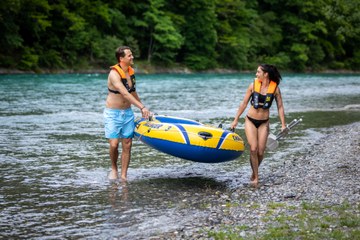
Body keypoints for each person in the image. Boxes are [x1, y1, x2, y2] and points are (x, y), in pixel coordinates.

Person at [230, 64, 286, 187]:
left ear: (265, 74)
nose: (256, 74)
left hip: (264, 122)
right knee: (253, 148)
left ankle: (253, 172)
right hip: (250, 120)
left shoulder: (275, 89)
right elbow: (244, 103)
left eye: (258, 72)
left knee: (260, 152)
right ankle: (256, 176)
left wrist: (283, 124)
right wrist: (235, 120)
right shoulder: (252, 86)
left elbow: (280, 107)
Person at [104, 46, 150, 181]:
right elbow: (124, 92)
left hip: (127, 113)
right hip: (113, 113)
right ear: (121, 58)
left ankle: (124, 176)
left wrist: (144, 107)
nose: (132, 57)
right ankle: (114, 168)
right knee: (113, 144)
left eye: (132, 55)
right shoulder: (114, 74)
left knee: (127, 144)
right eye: (129, 55)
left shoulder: (131, 72)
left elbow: (132, 92)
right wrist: (141, 107)